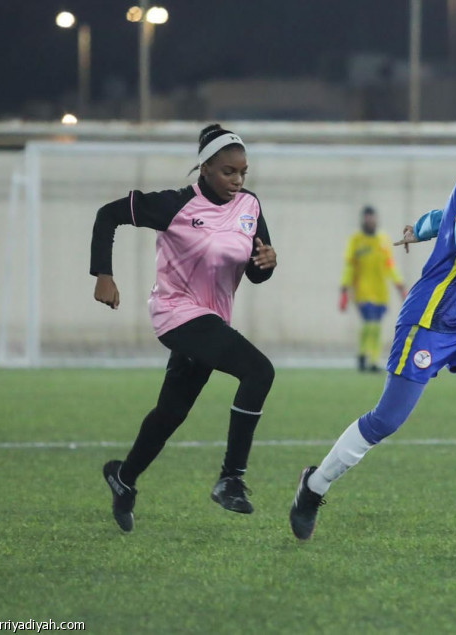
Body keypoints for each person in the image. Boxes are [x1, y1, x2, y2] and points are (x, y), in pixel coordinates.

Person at [290, 125, 456, 540]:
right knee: (386, 420)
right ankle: (313, 486)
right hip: (429, 323)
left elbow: (449, 217)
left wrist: (422, 227)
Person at [90, 124, 278, 532]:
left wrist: (268, 263)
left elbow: (256, 271)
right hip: (175, 312)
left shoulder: (250, 205)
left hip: (211, 320)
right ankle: (231, 478)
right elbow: (108, 215)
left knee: (171, 413)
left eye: (243, 172)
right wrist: (103, 273)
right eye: (228, 171)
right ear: (205, 168)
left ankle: (123, 477)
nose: (238, 180)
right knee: (259, 371)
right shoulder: (175, 205)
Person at [339, 206, 407, 372]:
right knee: (370, 323)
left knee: (376, 326)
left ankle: (372, 360)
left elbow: (390, 264)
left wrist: (399, 285)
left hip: (381, 291)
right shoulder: (356, 240)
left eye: (372, 218)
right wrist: (344, 289)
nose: (370, 221)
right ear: (363, 219)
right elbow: (350, 266)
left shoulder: (383, 239)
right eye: (367, 218)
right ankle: (365, 355)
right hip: (362, 290)